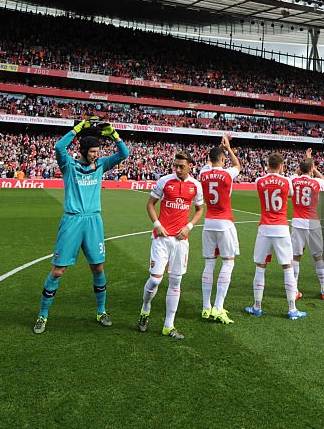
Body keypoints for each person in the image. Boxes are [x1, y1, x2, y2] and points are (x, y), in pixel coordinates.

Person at [33, 118, 129, 334]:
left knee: (98, 267)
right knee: (58, 271)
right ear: (84, 150)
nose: (96, 154)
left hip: (94, 221)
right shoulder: (69, 164)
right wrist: (77, 129)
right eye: (93, 151)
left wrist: (114, 134)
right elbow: (59, 147)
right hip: (72, 220)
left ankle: (101, 311)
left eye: (97, 151)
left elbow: (124, 154)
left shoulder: (102, 165)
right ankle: (43, 315)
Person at [139, 150, 205, 340]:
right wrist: (157, 225)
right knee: (156, 280)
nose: (177, 169)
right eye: (175, 165)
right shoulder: (165, 181)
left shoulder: (196, 186)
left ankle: (169, 325)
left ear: (190, 166)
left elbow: (200, 210)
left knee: (176, 282)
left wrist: (189, 226)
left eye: (181, 166)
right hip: (161, 238)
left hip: (181, 241)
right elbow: (150, 204)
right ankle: (145, 309)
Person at [245, 153, 306, 320]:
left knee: (260, 266)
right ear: (281, 166)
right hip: (281, 228)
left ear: (267, 164)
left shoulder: (259, 181)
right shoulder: (287, 181)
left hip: (265, 227)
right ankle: (292, 309)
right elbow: (291, 195)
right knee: (287, 267)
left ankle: (257, 306)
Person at [197, 135, 242, 325]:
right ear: (223, 160)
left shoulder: (203, 173)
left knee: (209, 264)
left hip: (208, 223)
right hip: (225, 222)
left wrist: (219, 149)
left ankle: (206, 307)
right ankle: (218, 306)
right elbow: (238, 165)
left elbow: (212, 161)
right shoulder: (227, 174)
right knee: (228, 263)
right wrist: (228, 148)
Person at [290, 149, 324, 299]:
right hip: (313, 222)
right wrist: (311, 163)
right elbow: (323, 177)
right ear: (312, 169)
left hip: (297, 221)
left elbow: (296, 173)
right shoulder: (317, 182)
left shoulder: (293, 180)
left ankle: (294, 290)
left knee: (296, 256)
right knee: (318, 256)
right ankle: (323, 290)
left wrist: (305, 163)